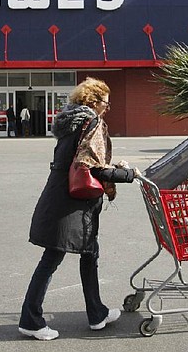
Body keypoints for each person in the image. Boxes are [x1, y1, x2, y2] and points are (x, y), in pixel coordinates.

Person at [18, 77, 140, 341]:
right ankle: (30, 319)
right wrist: (128, 174)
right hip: (71, 202)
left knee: (89, 252)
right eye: (106, 103)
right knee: (53, 258)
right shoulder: (92, 122)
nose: (107, 108)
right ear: (93, 101)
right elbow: (92, 165)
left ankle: (97, 314)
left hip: (61, 195)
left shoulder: (70, 121)